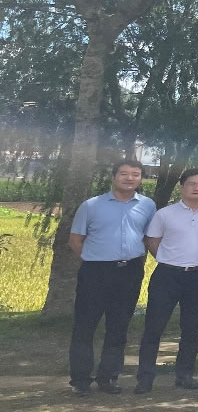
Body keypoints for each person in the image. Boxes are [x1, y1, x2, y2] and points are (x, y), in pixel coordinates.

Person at [67, 160, 156, 396]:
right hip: (95, 272)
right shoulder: (91, 205)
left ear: (141, 178)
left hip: (129, 272)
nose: (129, 178)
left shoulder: (148, 205)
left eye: (135, 174)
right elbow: (75, 240)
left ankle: (108, 377)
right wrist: (94, 259)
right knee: (85, 326)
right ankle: (80, 380)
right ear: (114, 176)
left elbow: (149, 237)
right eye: (124, 173)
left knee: (118, 327)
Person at [135, 169, 198, 393]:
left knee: (192, 329)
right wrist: (168, 259)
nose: (196, 188)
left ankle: (185, 375)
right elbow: (153, 241)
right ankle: (145, 378)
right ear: (182, 186)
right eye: (192, 183)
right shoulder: (165, 214)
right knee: (154, 327)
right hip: (167, 275)